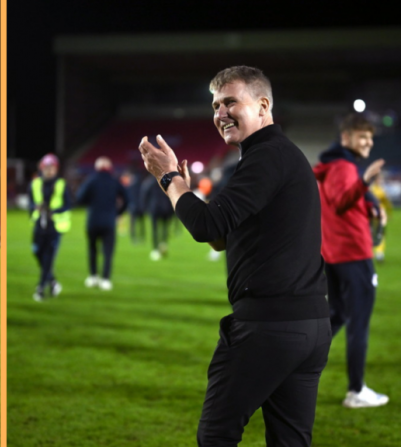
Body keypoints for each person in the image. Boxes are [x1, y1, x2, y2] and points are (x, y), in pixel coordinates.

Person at [140, 66, 331, 446]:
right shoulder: (278, 156)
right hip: (309, 325)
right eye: (215, 105)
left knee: (216, 434)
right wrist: (184, 194)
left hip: (269, 327)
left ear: (263, 106)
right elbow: (223, 239)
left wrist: (168, 179)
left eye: (230, 102)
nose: (220, 113)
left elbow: (207, 227)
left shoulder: (266, 156)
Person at [312, 113, 388, 408]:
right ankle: (356, 390)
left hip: (333, 255)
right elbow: (342, 201)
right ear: (346, 138)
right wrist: (365, 182)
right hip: (354, 255)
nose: (368, 142)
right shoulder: (344, 166)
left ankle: (291, 367)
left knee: (337, 317)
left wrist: (368, 202)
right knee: (359, 324)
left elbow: (342, 199)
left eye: (370, 137)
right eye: (362, 136)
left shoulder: (332, 166)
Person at [75, 156, 128, 290]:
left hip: (93, 220)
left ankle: (93, 276)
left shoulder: (91, 180)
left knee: (92, 249)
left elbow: (80, 198)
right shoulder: (114, 181)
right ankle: (105, 279)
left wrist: (91, 203)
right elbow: (127, 199)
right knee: (108, 252)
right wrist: (118, 213)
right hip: (109, 221)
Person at [29, 153, 72, 301]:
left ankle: (40, 287)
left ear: (56, 169)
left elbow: (68, 204)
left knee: (48, 257)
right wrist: (35, 209)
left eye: (51, 167)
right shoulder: (35, 184)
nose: (49, 170)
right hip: (39, 224)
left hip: (55, 226)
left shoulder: (61, 184)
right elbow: (30, 202)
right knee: (37, 252)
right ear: (41, 168)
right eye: (46, 167)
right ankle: (52, 281)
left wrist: (55, 211)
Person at [140, 173, 173, 260]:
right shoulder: (166, 181)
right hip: (165, 208)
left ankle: (156, 249)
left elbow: (144, 195)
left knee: (155, 230)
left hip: (154, 209)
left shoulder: (149, 182)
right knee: (164, 228)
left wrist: (145, 208)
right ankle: (163, 244)